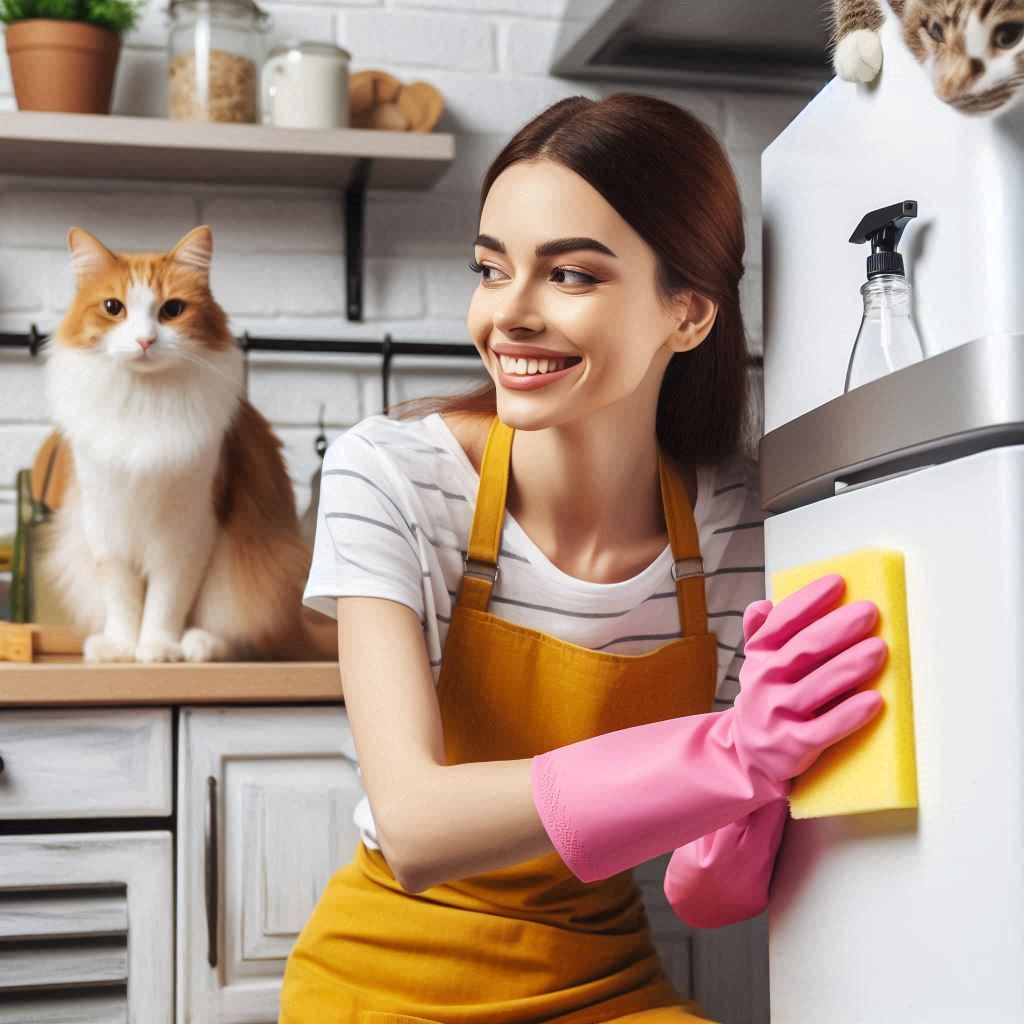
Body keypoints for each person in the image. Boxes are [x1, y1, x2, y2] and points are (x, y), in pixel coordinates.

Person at [279, 92, 887, 1023]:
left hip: (601, 977)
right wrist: (726, 750)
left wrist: (759, 792)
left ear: (687, 314)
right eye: (492, 269)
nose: (508, 316)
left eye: (569, 276)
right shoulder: (392, 474)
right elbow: (413, 824)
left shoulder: (733, 523)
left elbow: (706, 900)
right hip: (384, 976)